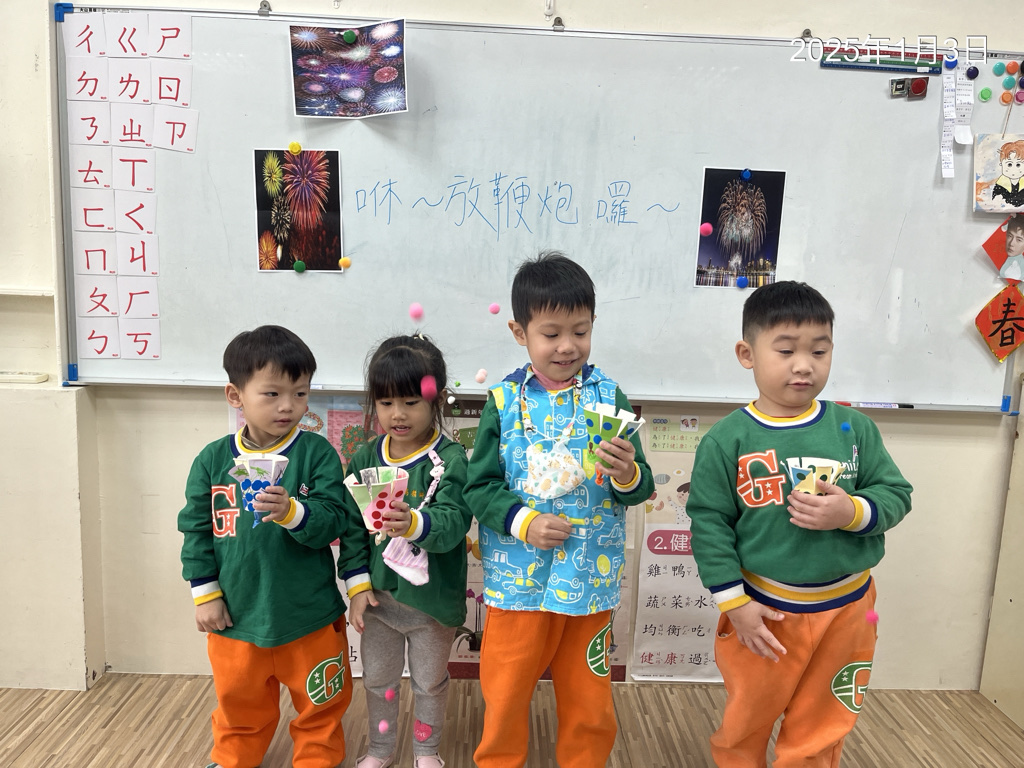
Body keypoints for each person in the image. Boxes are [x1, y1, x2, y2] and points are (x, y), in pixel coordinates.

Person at [687, 281, 913, 767]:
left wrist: (851, 512)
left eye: (819, 351)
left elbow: (896, 494)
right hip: (764, 612)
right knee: (747, 719)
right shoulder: (727, 439)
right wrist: (735, 604)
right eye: (786, 350)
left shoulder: (853, 428)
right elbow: (709, 525)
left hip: (848, 610)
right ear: (747, 354)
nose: (804, 365)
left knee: (823, 724)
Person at [464, 251, 655, 768]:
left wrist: (627, 473)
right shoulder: (503, 401)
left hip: (589, 577)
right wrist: (523, 522)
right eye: (551, 333)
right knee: (505, 692)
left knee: (589, 698)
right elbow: (477, 487)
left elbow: (639, 486)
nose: (568, 345)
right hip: (517, 581)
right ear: (519, 332)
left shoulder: (609, 396)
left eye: (581, 331)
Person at [178, 325, 352, 768]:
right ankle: (234, 758)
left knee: (321, 701)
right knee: (239, 701)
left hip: (308, 613)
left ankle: (318, 759)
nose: (288, 406)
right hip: (236, 614)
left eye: (300, 393)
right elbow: (195, 529)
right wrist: (205, 593)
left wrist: (293, 512)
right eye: (272, 394)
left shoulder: (317, 453)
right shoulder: (212, 460)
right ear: (235, 396)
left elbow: (334, 519)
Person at [336, 334, 472, 768]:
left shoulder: (451, 460)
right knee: (379, 682)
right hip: (379, 603)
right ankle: (381, 749)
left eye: (411, 402)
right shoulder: (364, 459)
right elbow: (352, 530)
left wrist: (414, 523)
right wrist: (358, 588)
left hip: (432, 606)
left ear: (437, 401)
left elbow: (454, 523)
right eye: (386, 402)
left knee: (429, 684)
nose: (397, 414)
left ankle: (427, 751)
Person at [992, 139, 1024, 208]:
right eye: (1009, 164)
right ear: (1001, 164)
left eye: (1018, 165)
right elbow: (995, 202)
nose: (1013, 169)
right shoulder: (1000, 185)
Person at [998, 215, 1024, 281]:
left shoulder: (1019, 265)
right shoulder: (1008, 260)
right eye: (1010, 236)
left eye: (1019, 240)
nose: (1011, 243)